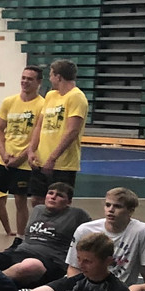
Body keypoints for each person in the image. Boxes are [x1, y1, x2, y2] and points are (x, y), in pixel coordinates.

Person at [0, 183, 91, 288]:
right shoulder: (38, 209)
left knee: (30, 265)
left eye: (59, 195)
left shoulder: (77, 214)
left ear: (69, 202)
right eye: (50, 193)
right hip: (19, 253)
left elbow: (95, 231)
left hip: (49, 261)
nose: (53, 197)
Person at [0, 63, 46, 236]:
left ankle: (20, 238)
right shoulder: (9, 101)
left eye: (30, 79)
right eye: (23, 78)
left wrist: (21, 157)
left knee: (20, 200)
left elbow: (39, 135)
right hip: (3, 157)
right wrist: (3, 153)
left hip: (25, 160)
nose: (25, 82)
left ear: (39, 82)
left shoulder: (42, 105)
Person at [69, 187, 145, 289]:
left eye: (117, 206)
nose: (111, 210)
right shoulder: (85, 230)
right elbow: (73, 268)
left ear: (130, 211)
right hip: (87, 287)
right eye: (108, 205)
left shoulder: (142, 232)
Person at [28, 59, 89, 194]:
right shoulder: (51, 95)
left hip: (62, 164)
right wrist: (31, 150)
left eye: (51, 75)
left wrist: (52, 158)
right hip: (40, 160)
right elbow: (40, 125)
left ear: (58, 77)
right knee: (37, 200)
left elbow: (72, 131)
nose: (49, 79)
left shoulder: (76, 97)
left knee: (59, 201)